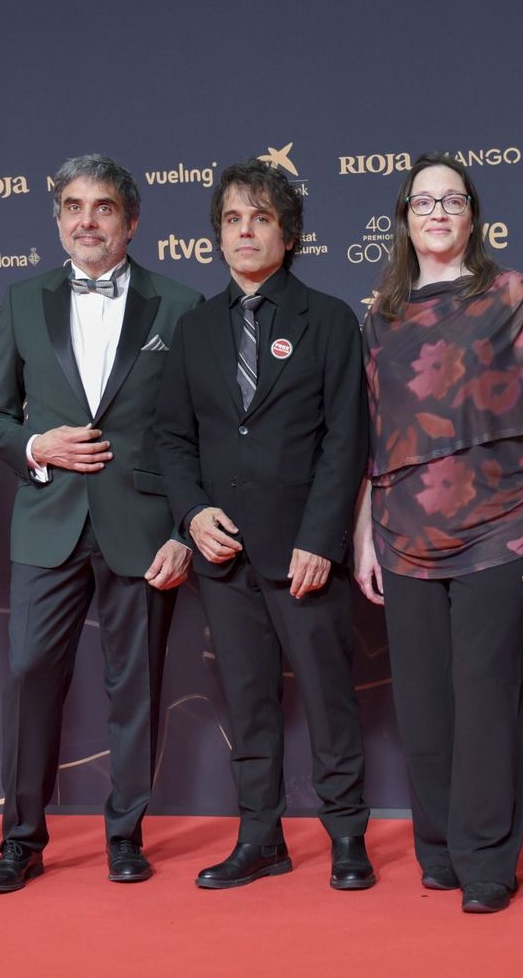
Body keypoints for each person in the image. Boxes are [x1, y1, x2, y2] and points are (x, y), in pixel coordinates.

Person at [353, 152, 523, 914]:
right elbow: (374, 437)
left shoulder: (511, 295)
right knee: (421, 703)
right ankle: (439, 849)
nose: (439, 212)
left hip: (500, 527)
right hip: (404, 531)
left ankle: (487, 860)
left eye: (453, 200)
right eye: (424, 201)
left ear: (473, 215)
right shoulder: (380, 316)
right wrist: (362, 534)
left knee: (486, 698)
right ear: (405, 218)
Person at [0, 154, 203, 892]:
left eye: (104, 207)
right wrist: (37, 446)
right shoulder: (21, 298)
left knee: (134, 685)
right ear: (57, 218)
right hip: (47, 520)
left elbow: (195, 430)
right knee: (27, 675)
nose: (87, 220)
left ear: (131, 221)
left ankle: (125, 833)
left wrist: (182, 529)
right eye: (73, 205)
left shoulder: (180, 304)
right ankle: (21, 839)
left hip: (143, 528)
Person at [156, 159, 373, 891]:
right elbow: (172, 440)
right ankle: (261, 839)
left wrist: (323, 538)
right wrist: (191, 514)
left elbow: (347, 440)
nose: (245, 232)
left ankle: (347, 836)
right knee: (247, 702)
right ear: (217, 235)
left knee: (329, 697)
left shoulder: (332, 319)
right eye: (232, 219)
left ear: (289, 234)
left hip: (305, 552)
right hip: (224, 556)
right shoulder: (194, 329)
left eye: (261, 218)